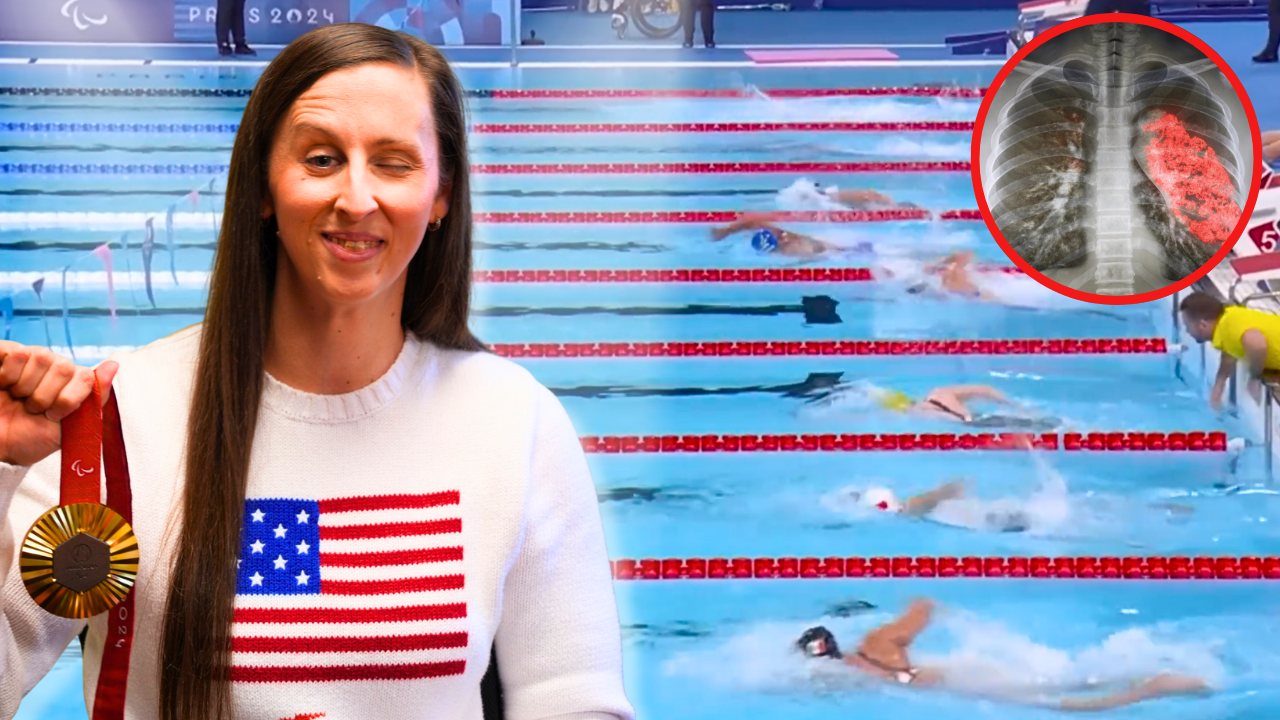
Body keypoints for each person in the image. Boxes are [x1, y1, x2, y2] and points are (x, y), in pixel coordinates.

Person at [0, 24, 633, 720]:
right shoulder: (126, 418)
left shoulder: (512, 419)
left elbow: (571, 700)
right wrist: (2, 467)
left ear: (442, 193)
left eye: (394, 163)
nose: (356, 198)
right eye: (323, 159)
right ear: (264, 187)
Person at [795, 599, 1211, 710]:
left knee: (1069, 706)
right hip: (968, 671)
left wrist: (962, 620)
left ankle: (1158, 686)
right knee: (1069, 685)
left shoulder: (868, 653)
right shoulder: (866, 654)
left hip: (969, 678)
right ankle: (1150, 673)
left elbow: (922, 606)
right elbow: (923, 606)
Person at [1179, 291, 1280, 409]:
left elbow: (1258, 345)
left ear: (1203, 325)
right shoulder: (1228, 318)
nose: (1187, 331)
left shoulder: (1229, 330)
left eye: (1188, 326)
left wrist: (1254, 377)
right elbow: (1229, 354)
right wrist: (1218, 387)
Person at [876, 383, 1061, 430]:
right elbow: (984, 389)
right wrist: (1014, 405)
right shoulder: (939, 393)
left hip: (976, 425)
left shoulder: (915, 416)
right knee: (1046, 425)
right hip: (979, 420)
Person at [710, 213, 869, 258]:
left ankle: (854, 250)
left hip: (823, 249)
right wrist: (725, 232)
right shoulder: (785, 240)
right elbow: (751, 223)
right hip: (819, 247)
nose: (780, 232)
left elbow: (751, 223)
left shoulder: (794, 246)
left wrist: (724, 232)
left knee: (837, 249)